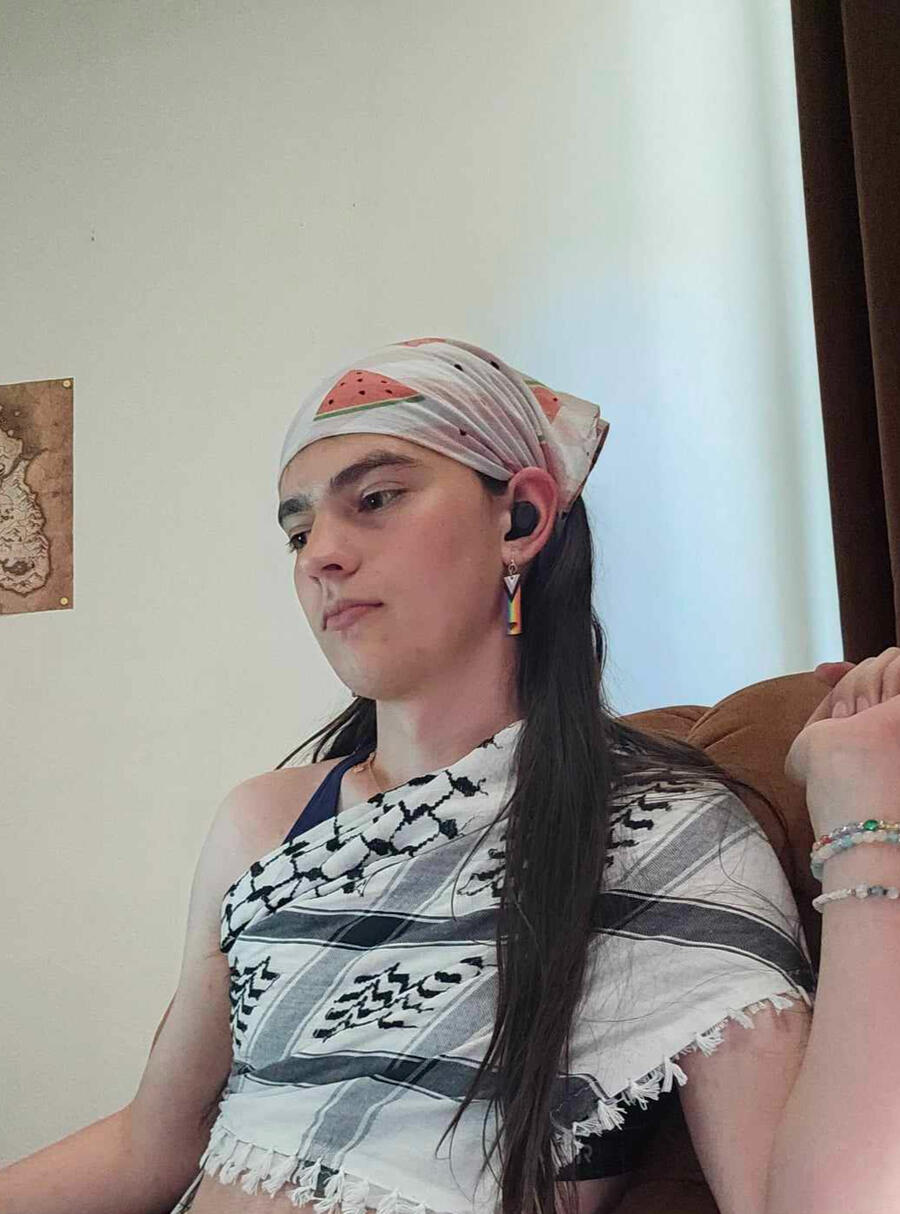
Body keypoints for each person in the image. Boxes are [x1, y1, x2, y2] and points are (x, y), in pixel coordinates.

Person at [3, 336, 896, 1214]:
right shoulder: (265, 824)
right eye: (299, 530)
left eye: (376, 499)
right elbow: (149, 1146)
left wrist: (861, 810)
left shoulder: (667, 837)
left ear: (522, 519)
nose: (318, 555)